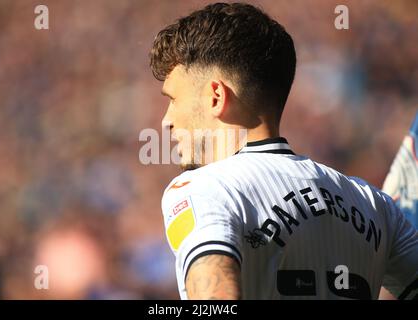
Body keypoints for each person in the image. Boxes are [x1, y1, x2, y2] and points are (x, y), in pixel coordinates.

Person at [149, 2, 418, 300]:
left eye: (173, 99)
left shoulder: (203, 189)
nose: (166, 121)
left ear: (216, 97)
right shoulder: (375, 204)